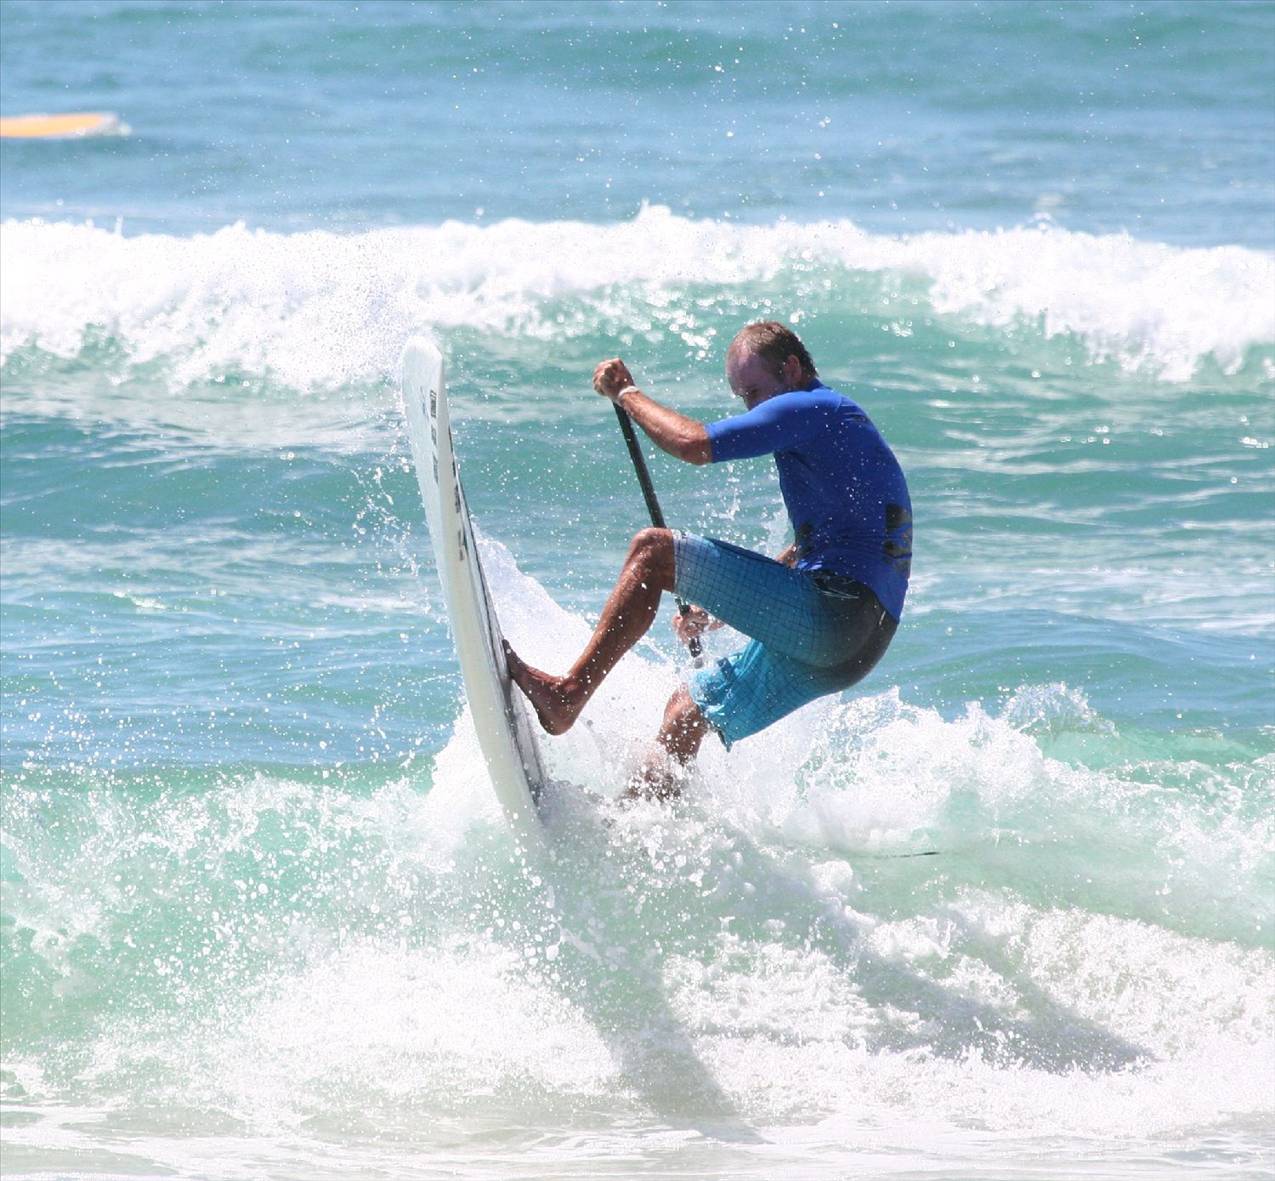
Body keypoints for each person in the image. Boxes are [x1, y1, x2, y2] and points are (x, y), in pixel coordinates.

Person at [505, 321, 912, 799]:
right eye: (743, 397)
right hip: (859, 647)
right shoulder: (841, 431)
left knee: (654, 552)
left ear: (791, 369)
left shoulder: (813, 407)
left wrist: (626, 394)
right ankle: (640, 825)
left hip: (834, 615)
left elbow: (694, 444)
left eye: (755, 391)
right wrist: (716, 610)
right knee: (686, 711)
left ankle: (568, 695)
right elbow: (819, 546)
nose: (752, 408)